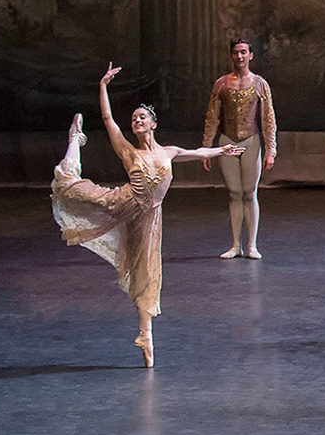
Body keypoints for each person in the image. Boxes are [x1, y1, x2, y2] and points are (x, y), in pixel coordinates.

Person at [52, 65, 244, 367]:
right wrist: (103, 86)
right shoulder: (129, 152)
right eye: (134, 118)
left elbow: (198, 152)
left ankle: (146, 335)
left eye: (142, 117)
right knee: (71, 189)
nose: (137, 120)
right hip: (121, 202)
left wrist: (222, 151)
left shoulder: (169, 152)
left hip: (149, 218)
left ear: (153, 123)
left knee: (147, 273)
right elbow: (108, 119)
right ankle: (75, 140)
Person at [201, 37, 277, 260]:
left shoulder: (259, 84)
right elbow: (212, 117)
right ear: (231, 55)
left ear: (250, 55)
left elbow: (268, 118)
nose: (240, 56)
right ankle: (236, 245)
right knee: (234, 193)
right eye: (236, 52)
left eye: (243, 52)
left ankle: (252, 245)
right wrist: (206, 147)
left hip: (250, 140)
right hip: (227, 141)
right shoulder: (221, 84)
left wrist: (271, 149)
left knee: (250, 192)